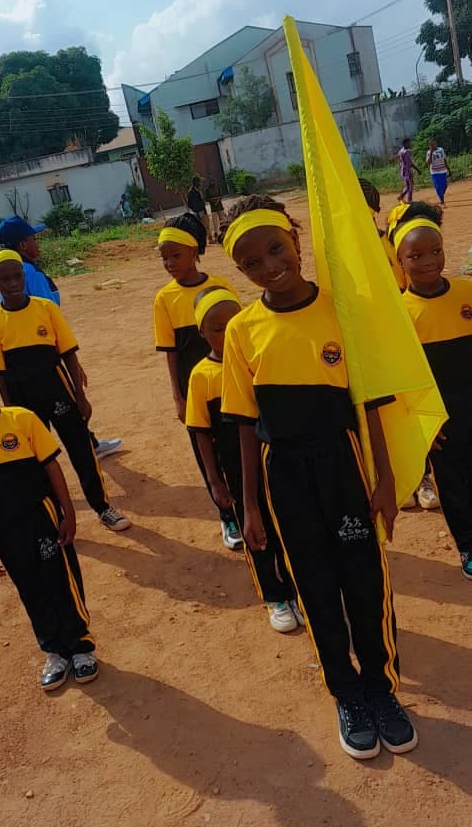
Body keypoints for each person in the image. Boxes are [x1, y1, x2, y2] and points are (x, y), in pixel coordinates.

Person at [220, 202, 418, 760]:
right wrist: (250, 506)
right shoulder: (242, 330)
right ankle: (347, 693)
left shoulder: (342, 313)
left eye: (275, 248)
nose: (268, 266)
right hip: (285, 473)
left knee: (364, 580)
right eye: (251, 262)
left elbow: (371, 403)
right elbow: (242, 424)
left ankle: (381, 690)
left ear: (296, 240)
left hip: (346, 464)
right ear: (242, 272)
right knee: (315, 588)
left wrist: (382, 481)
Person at [0, 350, 99, 690]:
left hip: (42, 517)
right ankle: (54, 650)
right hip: (3, 530)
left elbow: (52, 467)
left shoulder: (21, 421)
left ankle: (80, 646)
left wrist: (67, 511)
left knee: (60, 580)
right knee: (30, 588)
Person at [0, 249, 131, 532]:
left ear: (24, 276)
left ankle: (102, 507)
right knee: (37, 460)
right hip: (21, 398)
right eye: (4, 279)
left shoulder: (46, 309)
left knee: (81, 451)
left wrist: (80, 396)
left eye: (17, 276)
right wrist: (10, 413)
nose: (13, 283)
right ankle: (56, 516)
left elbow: (68, 354)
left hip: (57, 390)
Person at [186, 286, 304, 632]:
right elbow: (200, 433)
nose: (227, 332)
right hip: (237, 473)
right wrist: (214, 480)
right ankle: (275, 596)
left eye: (234, 321)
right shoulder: (202, 377)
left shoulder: (260, 358)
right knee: (258, 534)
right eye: (217, 327)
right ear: (202, 333)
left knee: (290, 529)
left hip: (277, 463)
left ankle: (298, 591)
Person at [0, 215, 122, 462]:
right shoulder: (29, 272)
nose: (37, 243)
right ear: (22, 245)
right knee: (66, 408)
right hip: (46, 358)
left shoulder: (13, 273)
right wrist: (70, 359)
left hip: (27, 360)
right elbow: (46, 320)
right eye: (33, 238)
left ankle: (88, 442)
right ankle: (87, 446)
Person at [391, 206, 472, 581]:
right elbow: (402, 378)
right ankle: (468, 545)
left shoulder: (466, 293)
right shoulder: (401, 315)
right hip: (442, 419)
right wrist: (423, 423)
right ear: (399, 260)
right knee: (454, 485)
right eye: (416, 255)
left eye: (436, 251)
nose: (429, 261)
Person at [153, 212, 241, 549]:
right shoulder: (165, 299)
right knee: (207, 451)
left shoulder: (220, 287)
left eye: (176, 255)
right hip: (196, 389)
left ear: (195, 251)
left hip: (228, 381)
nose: (169, 263)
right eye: (164, 257)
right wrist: (178, 396)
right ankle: (227, 518)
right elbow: (171, 352)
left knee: (238, 445)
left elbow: (238, 336)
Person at [358, 180, 440, 511]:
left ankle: (421, 475)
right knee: (380, 415)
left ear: (374, 212)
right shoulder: (336, 254)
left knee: (410, 407)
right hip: (367, 346)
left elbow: (410, 287)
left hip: (400, 339)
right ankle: (389, 477)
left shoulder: (391, 246)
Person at [426, 138, 451, 206]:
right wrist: (431, 152)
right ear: (430, 145)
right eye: (432, 144)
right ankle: (442, 201)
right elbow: (428, 163)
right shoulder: (428, 152)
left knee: (444, 185)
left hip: (443, 171)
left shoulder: (441, 149)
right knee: (438, 187)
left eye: (434, 143)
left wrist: (448, 169)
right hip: (435, 172)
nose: (434, 145)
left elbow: (444, 159)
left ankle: (441, 194)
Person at [187, 176, 212, 242]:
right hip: (198, 212)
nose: (201, 184)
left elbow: (202, 200)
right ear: (196, 183)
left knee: (207, 225)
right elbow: (189, 204)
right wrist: (196, 210)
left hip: (203, 210)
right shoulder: (191, 193)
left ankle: (210, 238)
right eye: (199, 182)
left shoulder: (199, 191)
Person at [396, 138, 421, 203]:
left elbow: (399, 160)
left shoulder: (401, 151)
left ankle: (401, 196)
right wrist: (418, 169)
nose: (410, 144)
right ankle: (409, 200)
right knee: (409, 186)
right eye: (409, 143)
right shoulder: (406, 152)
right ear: (405, 144)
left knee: (410, 185)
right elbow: (410, 163)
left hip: (404, 170)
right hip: (406, 172)